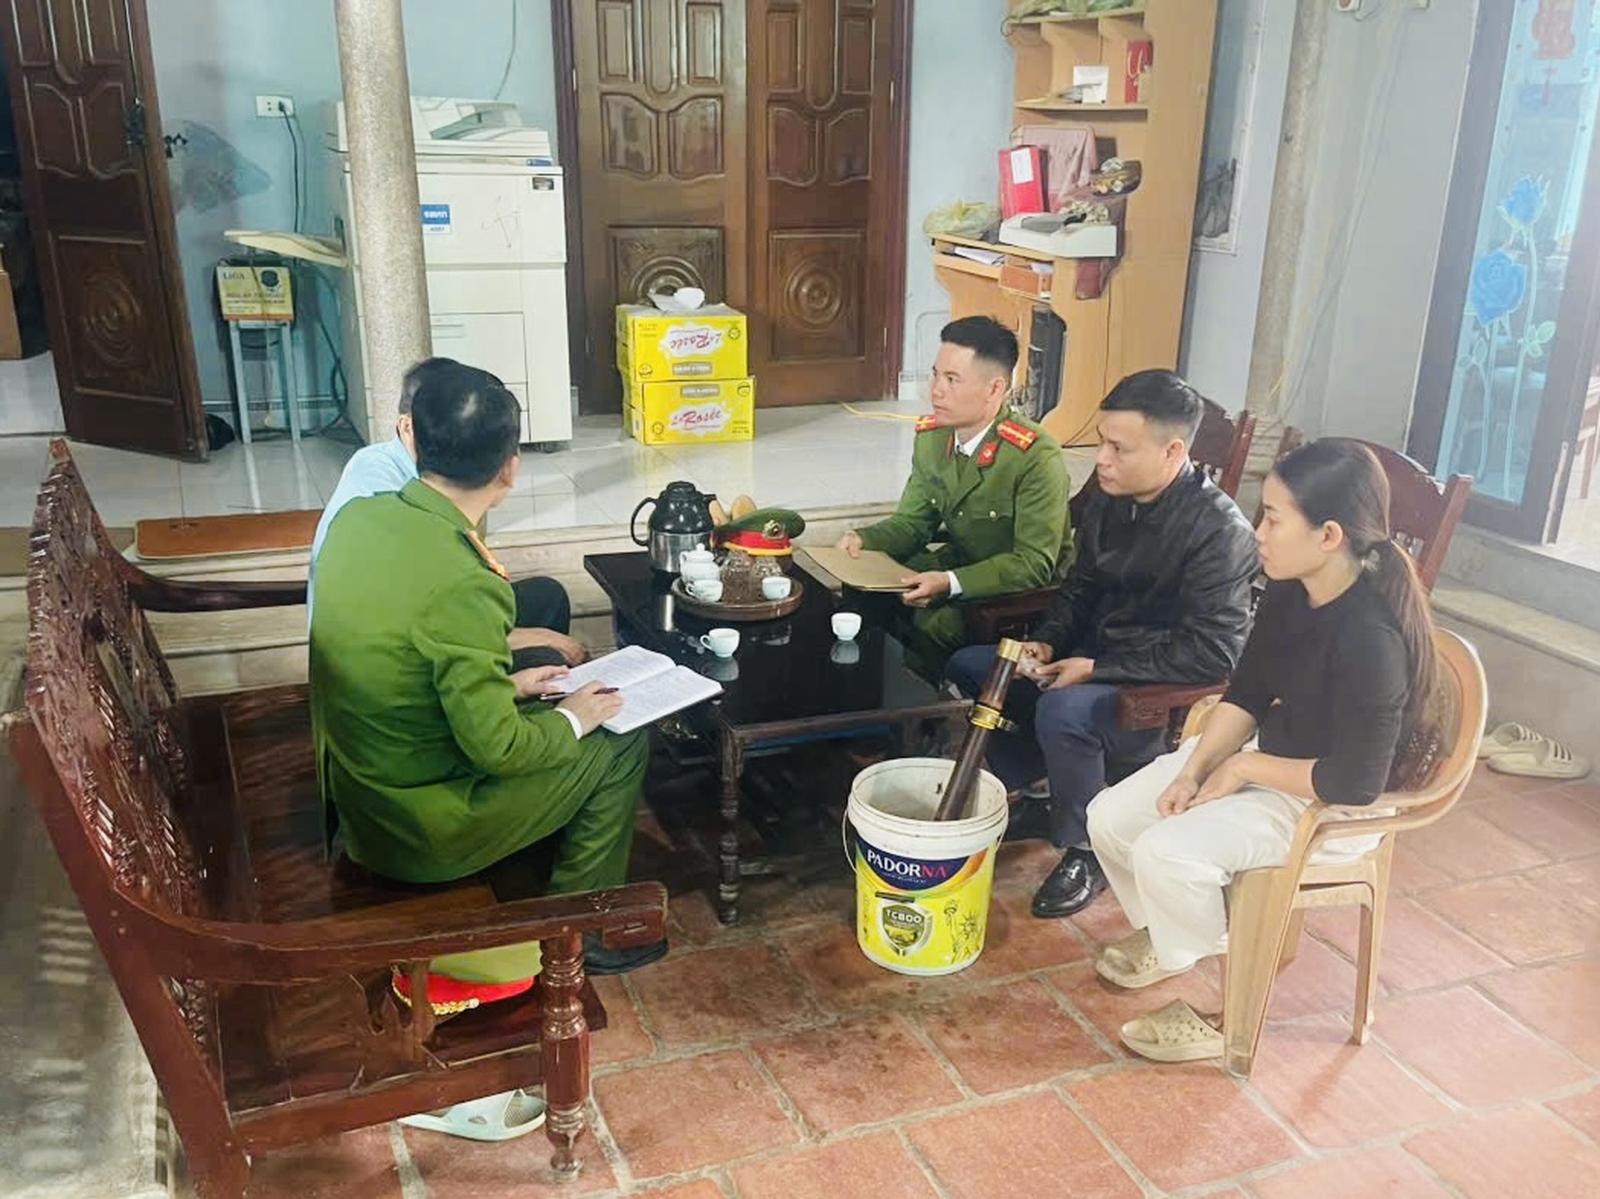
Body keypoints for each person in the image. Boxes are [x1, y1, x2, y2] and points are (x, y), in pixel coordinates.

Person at [310, 361, 666, 996]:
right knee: (620, 739)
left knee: (544, 692)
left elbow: (405, 668)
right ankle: (575, 934)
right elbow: (497, 749)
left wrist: (513, 687)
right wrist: (574, 717)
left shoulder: (358, 518)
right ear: (510, 468)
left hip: (362, 794)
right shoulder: (464, 579)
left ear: (413, 439)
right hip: (415, 830)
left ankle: (542, 843)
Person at [1085, 440, 1443, 1063]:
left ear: (1328, 535)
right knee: (1110, 818)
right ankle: (1176, 936)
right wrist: (1196, 770)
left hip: (1330, 804)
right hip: (1274, 757)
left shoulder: (1371, 637)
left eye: (1274, 518)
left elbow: (1357, 780)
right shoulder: (1290, 587)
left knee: (1166, 852)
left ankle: (1233, 1003)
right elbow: (1248, 692)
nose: (1258, 532)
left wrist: (1243, 767)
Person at [946, 370, 1257, 919]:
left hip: (1153, 691)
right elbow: (1079, 588)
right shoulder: (1113, 500)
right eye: (1101, 443)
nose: (1102, 460)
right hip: (1091, 661)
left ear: (1172, 451)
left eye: (1119, 448)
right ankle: (1042, 792)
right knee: (977, 666)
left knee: (1064, 711)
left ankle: (1091, 849)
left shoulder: (1220, 532)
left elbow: (1214, 653)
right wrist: (1046, 644)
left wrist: (1097, 667)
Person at [308, 356, 584, 670]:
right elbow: (436, 626)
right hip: (393, 662)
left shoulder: (397, 486)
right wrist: (539, 642)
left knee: (546, 597)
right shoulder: (382, 494)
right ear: (408, 426)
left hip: (408, 631)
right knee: (546, 656)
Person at [835, 315, 1072, 670]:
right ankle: (867, 687)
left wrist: (949, 583)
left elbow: (1033, 565)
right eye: (935, 375)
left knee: (937, 623)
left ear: (994, 389)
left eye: (952, 379)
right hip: (961, 563)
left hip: (1016, 589)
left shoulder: (1035, 456)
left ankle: (926, 701)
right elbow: (913, 524)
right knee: (867, 585)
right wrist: (864, 539)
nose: (936, 390)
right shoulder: (934, 438)